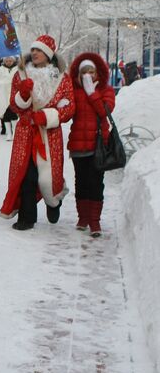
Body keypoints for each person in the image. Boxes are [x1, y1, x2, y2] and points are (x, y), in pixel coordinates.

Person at [0, 35, 75, 230]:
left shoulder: (62, 78)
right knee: (25, 175)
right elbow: (14, 107)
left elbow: (69, 107)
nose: (34, 53)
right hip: (26, 131)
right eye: (33, 50)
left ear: (49, 54)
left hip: (49, 135)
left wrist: (48, 116)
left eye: (39, 50)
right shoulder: (21, 75)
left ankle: (54, 201)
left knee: (48, 178)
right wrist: (23, 94)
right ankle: (27, 217)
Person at [67, 53, 116, 237]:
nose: (88, 75)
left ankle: (95, 221)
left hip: (98, 146)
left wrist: (92, 93)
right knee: (81, 182)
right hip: (78, 145)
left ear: (98, 72)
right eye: (84, 72)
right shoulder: (74, 90)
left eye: (91, 71)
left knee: (96, 183)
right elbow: (68, 112)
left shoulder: (106, 89)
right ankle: (83, 217)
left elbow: (105, 111)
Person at [0, 56, 19, 141]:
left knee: (14, 114)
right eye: (7, 60)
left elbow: (19, 80)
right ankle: (9, 133)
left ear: (13, 60)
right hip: (3, 95)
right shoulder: (1, 69)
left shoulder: (17, 69)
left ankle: (15, 132)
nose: (8, 62)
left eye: (10, 60)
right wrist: (7, 83)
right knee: (6, 114)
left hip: (14, 95)